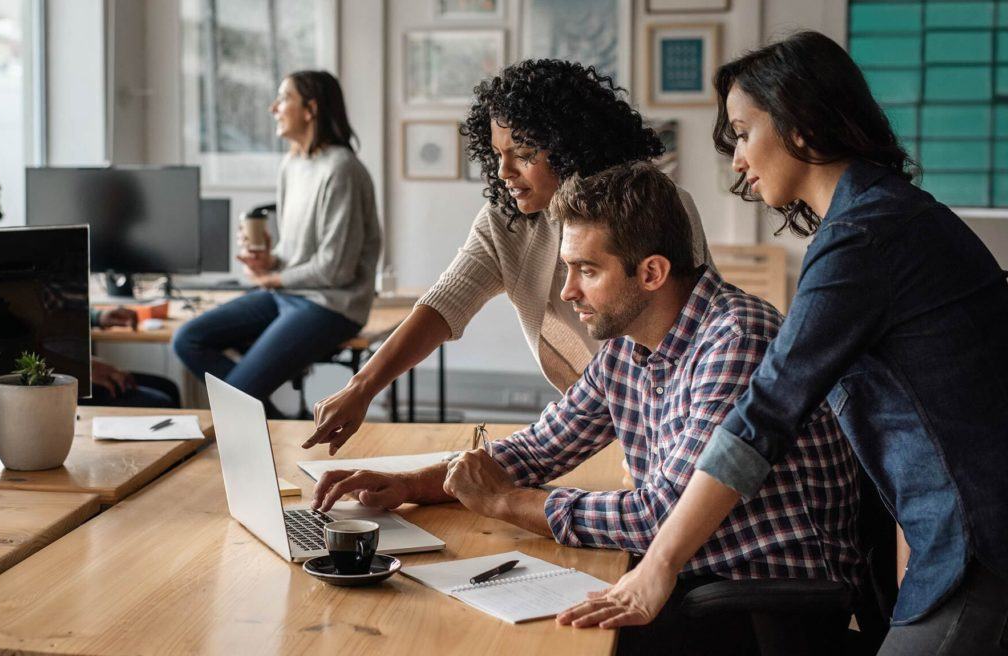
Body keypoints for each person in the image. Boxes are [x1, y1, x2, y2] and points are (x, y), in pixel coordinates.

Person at [562, 32, 1008, 656]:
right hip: (959, 535)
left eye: (743, 132)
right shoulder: (881, 219)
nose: (738, 160)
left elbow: (765, 413)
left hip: (980, 539)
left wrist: (659, 565)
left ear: (800, 122)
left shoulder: (865, 239)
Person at [311, 162, 861, 655]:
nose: (568, 292)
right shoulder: (629, 343)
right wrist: (414, 483)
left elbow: (656, 516)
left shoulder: (734, 338)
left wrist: (505, 503)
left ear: (650, 273)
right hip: (687, 579)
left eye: (586, 271)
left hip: (753, 602)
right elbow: (539, 448)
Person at [303, 59, 713, 454]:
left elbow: (689, 335)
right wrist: (361, 389)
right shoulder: (507, 220)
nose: (503, 171)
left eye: (522, 153)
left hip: (674, 413)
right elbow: (445, 303)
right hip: (590, 416)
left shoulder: (653, 208)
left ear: (572, 145)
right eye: (497, 154)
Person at [172, 70, 381, 418]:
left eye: (284, 98)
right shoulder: (291, 165)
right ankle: (274, 424)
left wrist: (273, 279)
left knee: (237, 394)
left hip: (331, 306)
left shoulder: (342, 169)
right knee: (187, 339)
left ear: (310, 109)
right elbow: (295, 254)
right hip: (288, 295)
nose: (273, 107)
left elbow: (336, 268)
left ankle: (258, 421)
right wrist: (269, 261)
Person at [0, 155, 180, 408]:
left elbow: (31, 310)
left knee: (165, 387)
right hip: (21, 388)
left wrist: (97, 318)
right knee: (160, 400)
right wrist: (78, 370)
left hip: (44, 368)